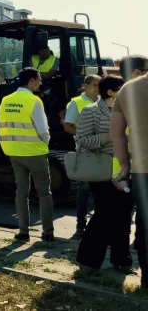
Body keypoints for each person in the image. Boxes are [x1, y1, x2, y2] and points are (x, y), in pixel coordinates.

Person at [75, 75, 132, 273]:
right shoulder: (90, 111)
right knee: (104, 214)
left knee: (124, 216)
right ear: (110, 92)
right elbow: (82, 140)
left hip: (125, 170)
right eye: (122, 89)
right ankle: (87, 261)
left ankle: (122, 260)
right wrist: (109, 136)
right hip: (101, 171)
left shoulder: (128, 111)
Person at [0, 67, 54, 242]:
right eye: (39, 79)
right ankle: (47, 233)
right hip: (34, 152)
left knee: (21, 191)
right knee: (44, 192)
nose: (41, 82)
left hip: (13, 152)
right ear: (32, 81)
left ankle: (23, 232)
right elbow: (43, 130)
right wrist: (45, 142)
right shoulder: (34, 100)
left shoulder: (6, 99)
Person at [112, 55, 148, 288]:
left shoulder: (130, 88)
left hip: (142, 171)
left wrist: (124, 165)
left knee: (144, 225)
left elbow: (116, 132)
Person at [63, 75, 101, 238]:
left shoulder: (103, 101)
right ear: (85, 86)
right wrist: (86, 136)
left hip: (104, 149)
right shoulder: (76, 103)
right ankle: (80, 225)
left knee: (102, 188)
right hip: (85, 150)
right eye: (95, 85)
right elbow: (68, 126)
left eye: (100, 85)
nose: (98, 88)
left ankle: (100, 224)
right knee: (84, 188)